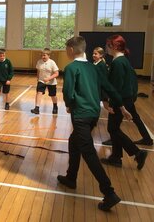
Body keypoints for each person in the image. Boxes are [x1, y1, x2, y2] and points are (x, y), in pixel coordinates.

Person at [59, 36, 132, 211]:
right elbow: (109, 88)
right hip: (93, 114)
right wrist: (122, 106)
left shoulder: (71, 68)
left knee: (88, 151)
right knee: (73, 141)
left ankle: (109, 192)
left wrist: (69, 104)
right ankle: (71, 177)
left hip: (81, 115)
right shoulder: (94, 68)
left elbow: (68, 91)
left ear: (70, 50)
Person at [100, 34, 150, 168]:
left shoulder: (118, 62)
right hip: (125, 99)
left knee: (113, 129)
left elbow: (116, 87)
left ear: (115, 46)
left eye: (108, 45)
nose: (106, 47)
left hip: (120, 100)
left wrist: (120, 106)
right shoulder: (123, 61)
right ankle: (116, 157)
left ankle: (137, 153)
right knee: (114, 128)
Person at [31, 48, 59, 115]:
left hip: (51, 82)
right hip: (41, 81)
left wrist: (49, 78)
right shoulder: (39, 62)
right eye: (42, 55)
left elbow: (56, 73)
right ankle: (36, 108)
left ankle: (55, 106)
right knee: (39, 93)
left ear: (49, 56)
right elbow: (38, 71)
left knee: (53, 95)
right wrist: (38, 78)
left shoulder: (52, 63)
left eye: (44, 55)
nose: (43, 57)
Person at [0, 48, 14, 113]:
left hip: (6, 80)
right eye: (1, 55)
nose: (2, 57)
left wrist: (9, 79)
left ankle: (7, 103)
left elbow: (11, 71)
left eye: (3, 55)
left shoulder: (8, 62)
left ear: (5, 55)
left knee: (6, 93)